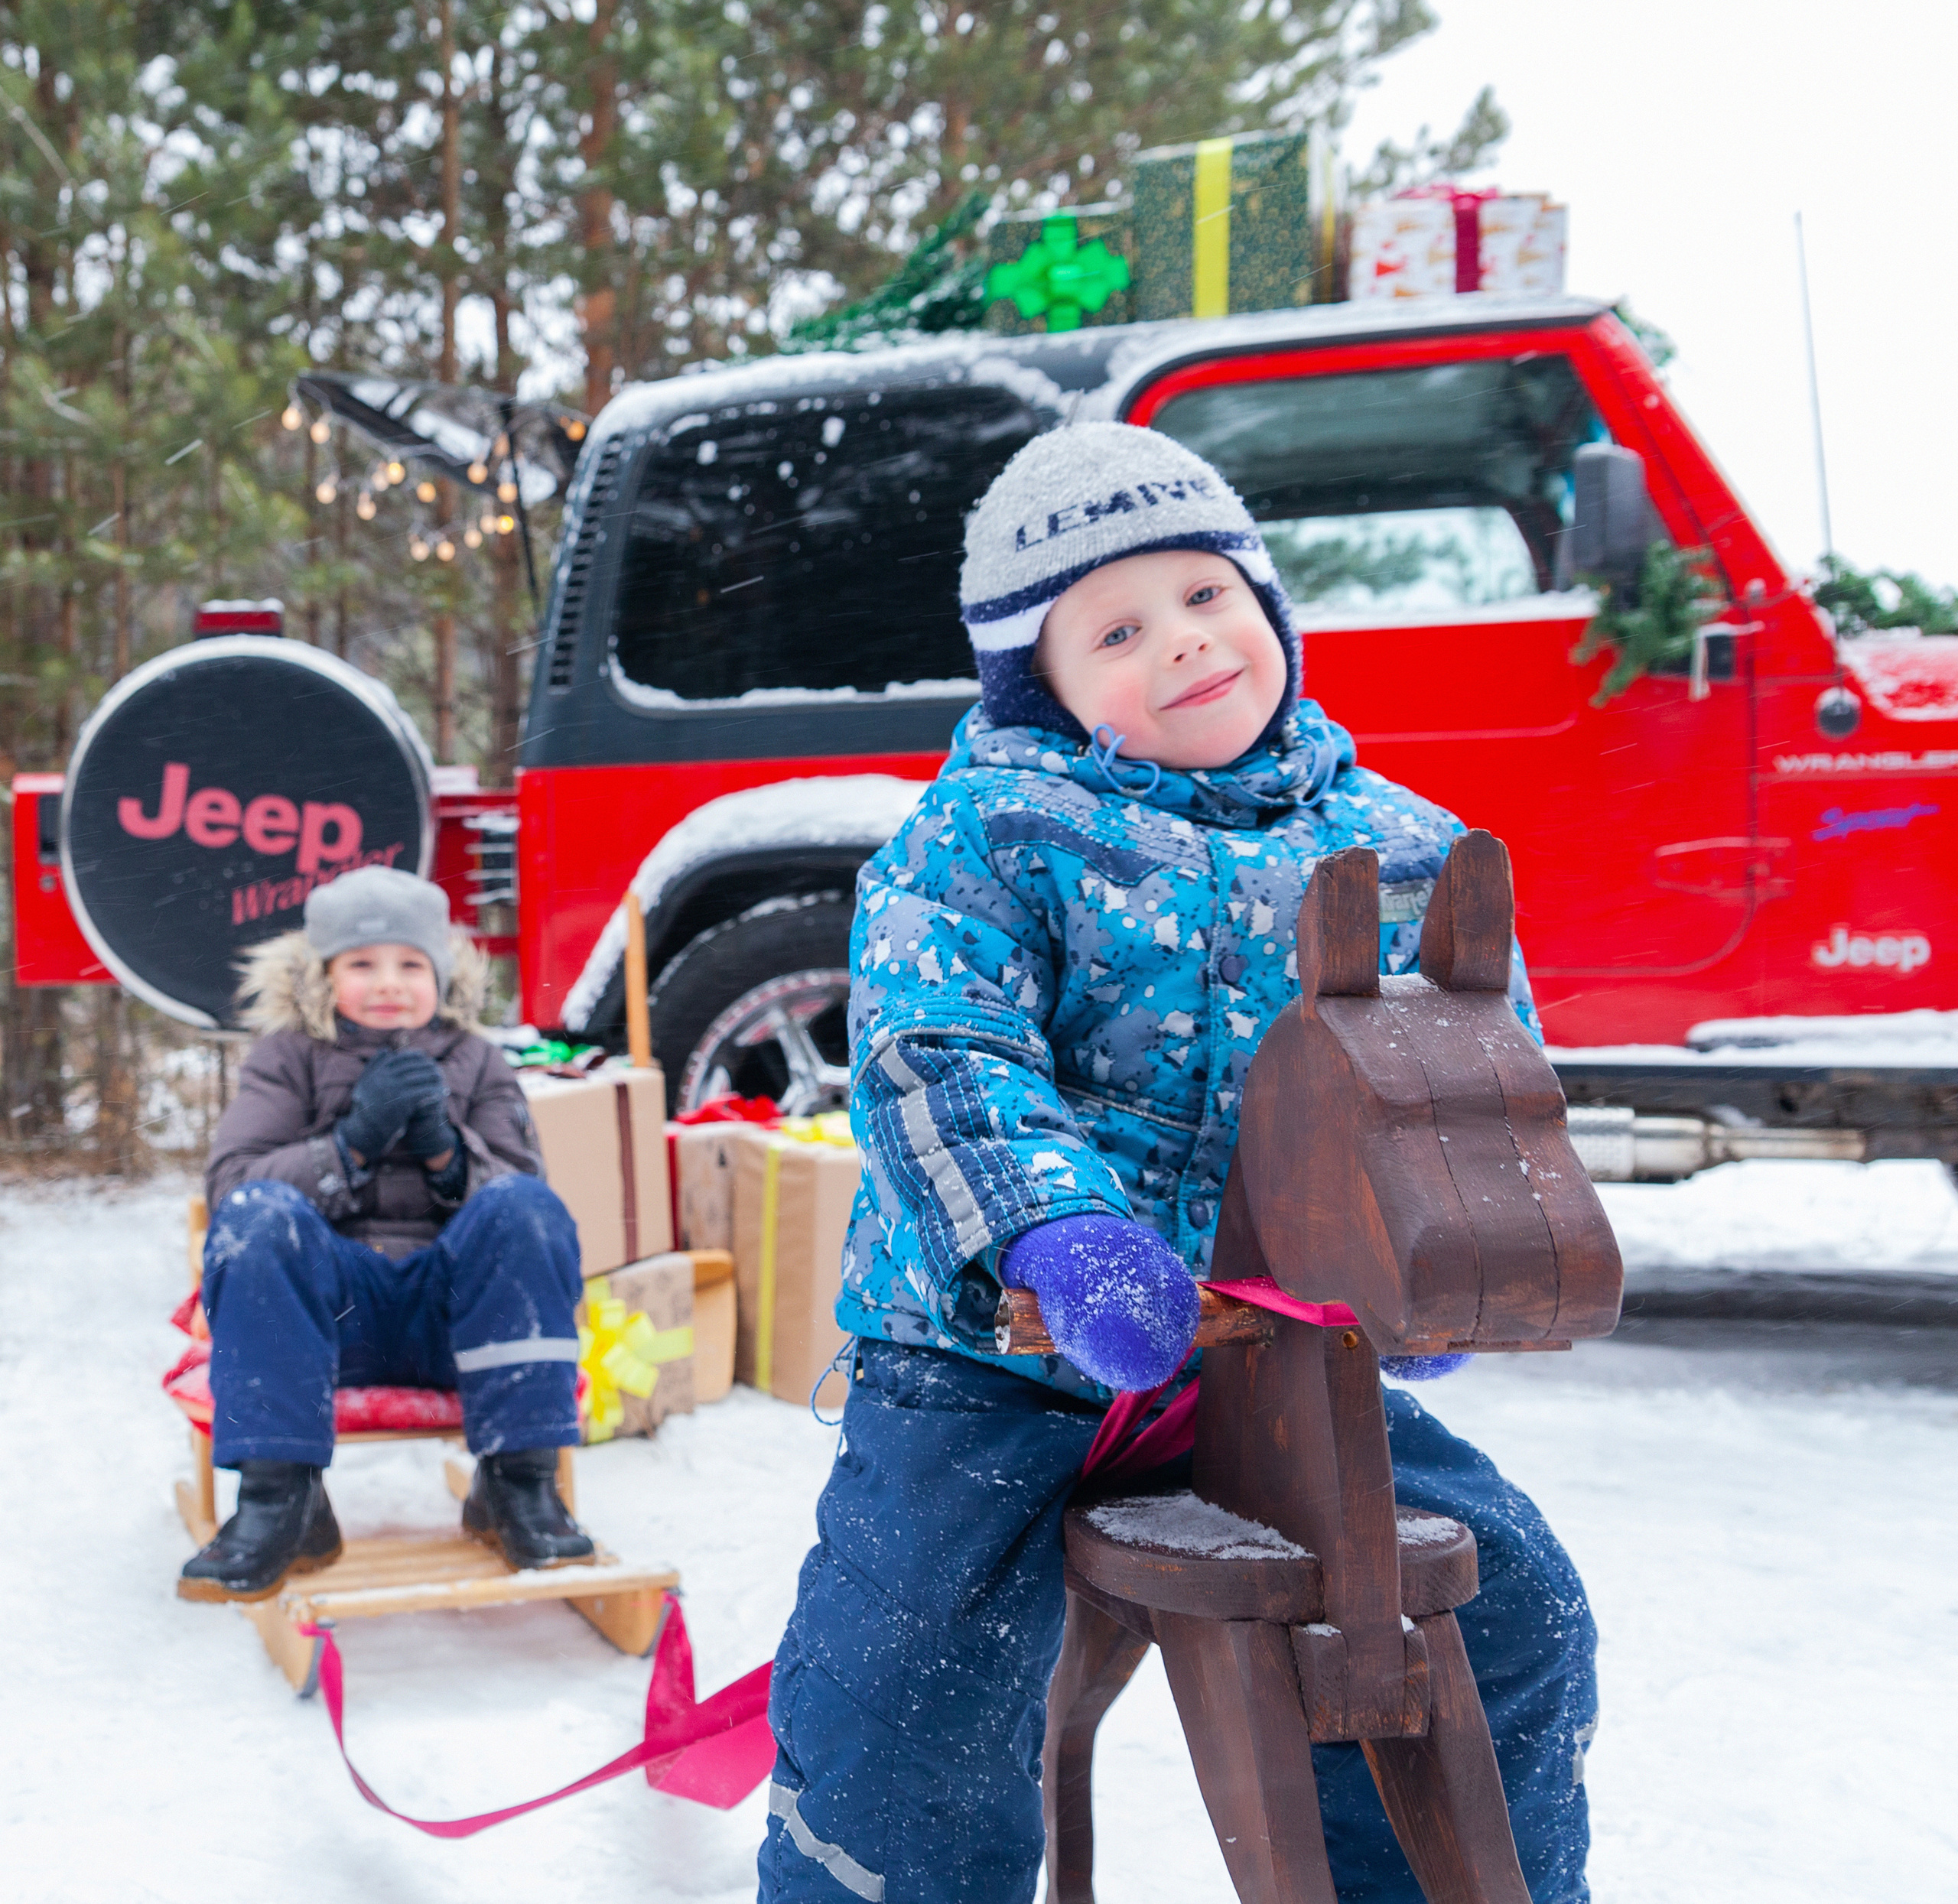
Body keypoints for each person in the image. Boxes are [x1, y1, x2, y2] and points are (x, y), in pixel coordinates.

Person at [758, 424, 1598, 1903]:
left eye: (1209, 596)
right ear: (1044, 682)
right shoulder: (983, 839)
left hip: (1277, 1366)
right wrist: (1056, 1232)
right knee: (904, 1674)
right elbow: (934, 1052)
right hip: (994, 1360)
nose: (1187, 646)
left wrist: (1439, 1254)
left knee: (1506, 1601)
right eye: (1119, 630)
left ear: (1268, 607)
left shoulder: (1403, 847)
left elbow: (1472, 1061)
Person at [180, 865, 591, 1603]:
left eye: (410, 964)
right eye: (361, 964)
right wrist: (350, 1146)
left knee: (527, 1209)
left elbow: (525, 1196)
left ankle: (519, 1481)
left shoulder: (477, 1059)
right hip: (328, 1326)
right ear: (321, 976)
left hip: (455, 1320)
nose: (389, 982)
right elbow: (232, 1183)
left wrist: (446, 1153)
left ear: (443, 975)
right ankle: (281, 1499)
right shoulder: (285, 1058)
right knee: (255, 1219)